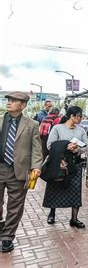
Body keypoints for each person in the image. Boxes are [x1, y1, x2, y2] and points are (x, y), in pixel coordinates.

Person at [0, 92, 42, 252]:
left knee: (15, 205)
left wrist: (36, 166)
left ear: (23, 105)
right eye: (8, 100)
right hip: (0, 167)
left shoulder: (32, 124)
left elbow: (36, 148)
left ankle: (7, 237)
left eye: (13, 101)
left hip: (19, 170)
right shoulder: (0, 120)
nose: (9, 103)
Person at [43, 106, 87, 228]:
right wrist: (66, 146)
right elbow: (50, 145)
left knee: (75, 190)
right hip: (59, 164)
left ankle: (74, 218)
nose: (80, 118)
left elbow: (85, 146)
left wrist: (77, 149)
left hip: (75, 163)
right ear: (71, 116)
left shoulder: (81, 130)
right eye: (78, 115)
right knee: (55, 187)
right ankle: (52, 213)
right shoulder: (57, 128)